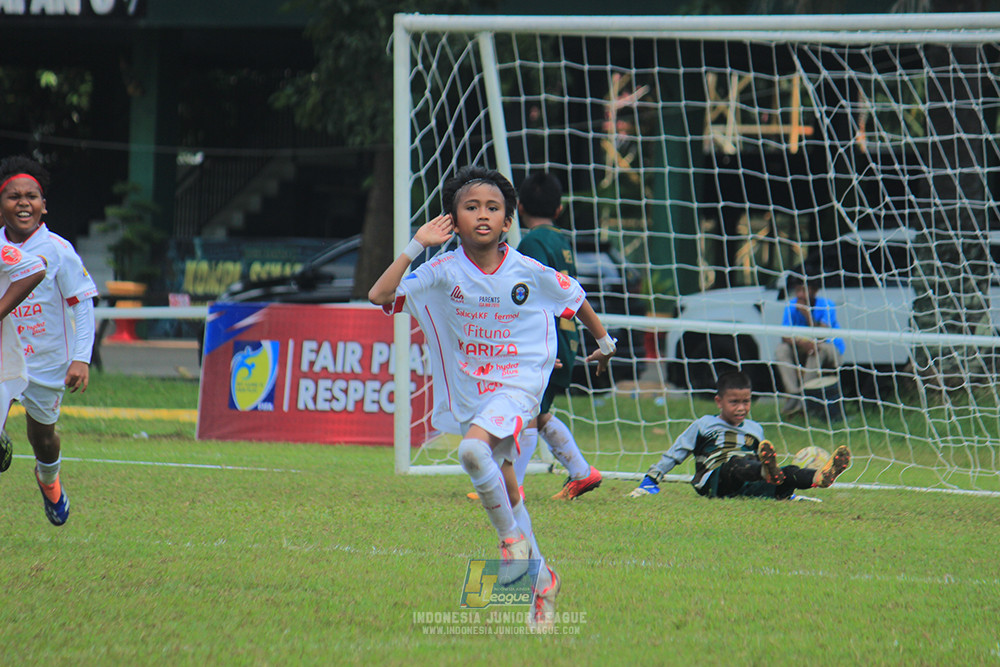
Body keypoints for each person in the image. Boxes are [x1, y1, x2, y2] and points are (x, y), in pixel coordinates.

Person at [368, 166, 616, 630]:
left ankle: (511, 545)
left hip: (519, 383)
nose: (483, 215)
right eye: (471, 207)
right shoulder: (441, 270)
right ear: (453, 220)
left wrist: (606, 345)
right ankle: (541, 579)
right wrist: (416, 244)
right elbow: (379, 294)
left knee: (470, 450)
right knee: (504, 481)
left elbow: (574, 297)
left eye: (493, 208)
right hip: (471, 392)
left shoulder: (527, 269)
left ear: (508, 221)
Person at [467, 172, 602, 502]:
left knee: (525, 416)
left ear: (519, 208)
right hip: (565, 340)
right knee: (539, 415)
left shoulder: (531, 244)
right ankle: (583, 474)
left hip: (546, 345)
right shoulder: (561, 241)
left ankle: (513, 487)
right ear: (559, 210)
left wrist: (536, 349)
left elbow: (532, 299)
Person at [0, 156, 98, 526]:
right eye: (13, 196)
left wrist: (81, 358)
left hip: (47, 361)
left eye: (32, 196)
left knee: (43, 440)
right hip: (3, 359)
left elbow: (82, 304)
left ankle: (49, 480)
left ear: (44, 205)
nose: (24, 203)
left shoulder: (57, 249)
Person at [627, 371, 850, 500]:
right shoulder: (704, 424)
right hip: (715, 479)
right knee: (736, 464)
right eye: (734, 402)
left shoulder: (754, 429)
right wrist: (651, 479)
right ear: (719, 401)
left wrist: (787, 493)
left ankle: (821, 477)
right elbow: (676, 452)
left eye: (746, 401)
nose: (741, 408)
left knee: (787, 471)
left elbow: (761, 456)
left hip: (749, 480)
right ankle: (766, 472)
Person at [775, 275, 845, 416]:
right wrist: (802, 342)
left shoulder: (827, 305)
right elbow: (785, 336)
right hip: (803, 346)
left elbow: (822, 335)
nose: (800, 295)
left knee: (816, 351)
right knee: (781, 350)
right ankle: (794, 394)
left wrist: (807, 315)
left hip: (829, 348)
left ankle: (802, 399)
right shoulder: (791, 306)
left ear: (815, 291)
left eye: (804, 290)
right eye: (797, 290)